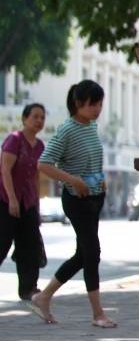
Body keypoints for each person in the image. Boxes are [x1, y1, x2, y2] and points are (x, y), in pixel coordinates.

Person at [29, 81, 116, 327]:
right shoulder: (67, 129)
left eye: (100, 103)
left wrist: (101, 178)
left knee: (83, 255)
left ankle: (43, 297)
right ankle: (98, 314)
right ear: (78, 104)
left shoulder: (91, 127)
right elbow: (44, 164)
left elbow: (90, 157)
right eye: (93, 104)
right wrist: (73, 181)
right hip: (77, 201)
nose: (98, 108)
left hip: (95, 198)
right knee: (92, 253)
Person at [0, 104, 47, 301]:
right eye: (35, 116)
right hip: (6, 199)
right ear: (25, 119)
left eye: (42, 118)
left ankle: (29, 288)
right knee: (3, 242)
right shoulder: (15, 140)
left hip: (27, 201)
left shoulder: (40, 146)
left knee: (29, 244)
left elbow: (36, 176)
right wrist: (11, 199)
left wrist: (36, 204)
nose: (39, 121)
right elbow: (4, 169)